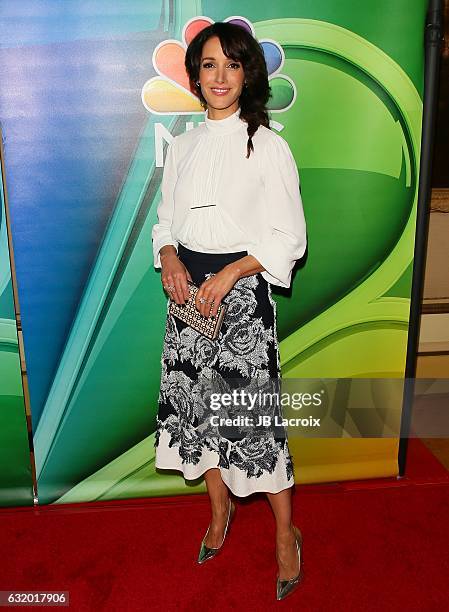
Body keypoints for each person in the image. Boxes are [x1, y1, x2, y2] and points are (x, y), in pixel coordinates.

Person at [152, 22, 307, 601]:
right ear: (195, 75)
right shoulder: (184, 143)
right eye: (209, 64)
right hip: (186, 296)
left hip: (238, 297)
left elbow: (289, 235)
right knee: (199, 418)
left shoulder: (268, 145)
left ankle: (286, 535)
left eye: (231, 65)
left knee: (251, 424)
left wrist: (235, 271)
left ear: (248, 74)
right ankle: (219, 517)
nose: (219, 76)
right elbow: (167, 221)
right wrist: (167, 254)